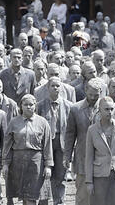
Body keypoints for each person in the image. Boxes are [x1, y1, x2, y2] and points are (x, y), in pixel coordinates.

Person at [2, 94, 53, 205]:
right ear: (21, 106)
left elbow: (47, 145)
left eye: (31, 104)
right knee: (24, 196)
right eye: (25, 105)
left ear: (35, 106)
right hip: (18, 162)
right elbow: (7, 145)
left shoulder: (42, 122)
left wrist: (48, 166)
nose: (28, 107)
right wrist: (5, 164)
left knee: (35, 195)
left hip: (36, 162)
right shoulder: (14, 122)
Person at [85, 96, 115, 205]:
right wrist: (89, 181)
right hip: (99, 175)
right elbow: (89, 157)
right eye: (106, 109)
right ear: (99, 110)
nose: (110, 112)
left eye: (112, 109)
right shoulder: (92, 130)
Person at [64, 78, 103, 205]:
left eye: (96, 95)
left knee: (100, 194)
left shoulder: (106, 108)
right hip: (82, 156)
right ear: (85, 90)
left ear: (101, 92)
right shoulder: (75, 109)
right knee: (82, 194)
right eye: (90, 94)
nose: (93, 97)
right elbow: (70, 134)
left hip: (102, 158)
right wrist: (67, 156)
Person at [36, 77, 73, 205]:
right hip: (46, 144)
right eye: (53, 86)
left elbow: (72, 129)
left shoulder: (69, 106)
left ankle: (59, 201)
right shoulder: (40, 106)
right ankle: (43, 202)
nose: (55, 88)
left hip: (62, 143)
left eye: (58, 85)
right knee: (44, 175)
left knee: (60, 175)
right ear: (47, 87)